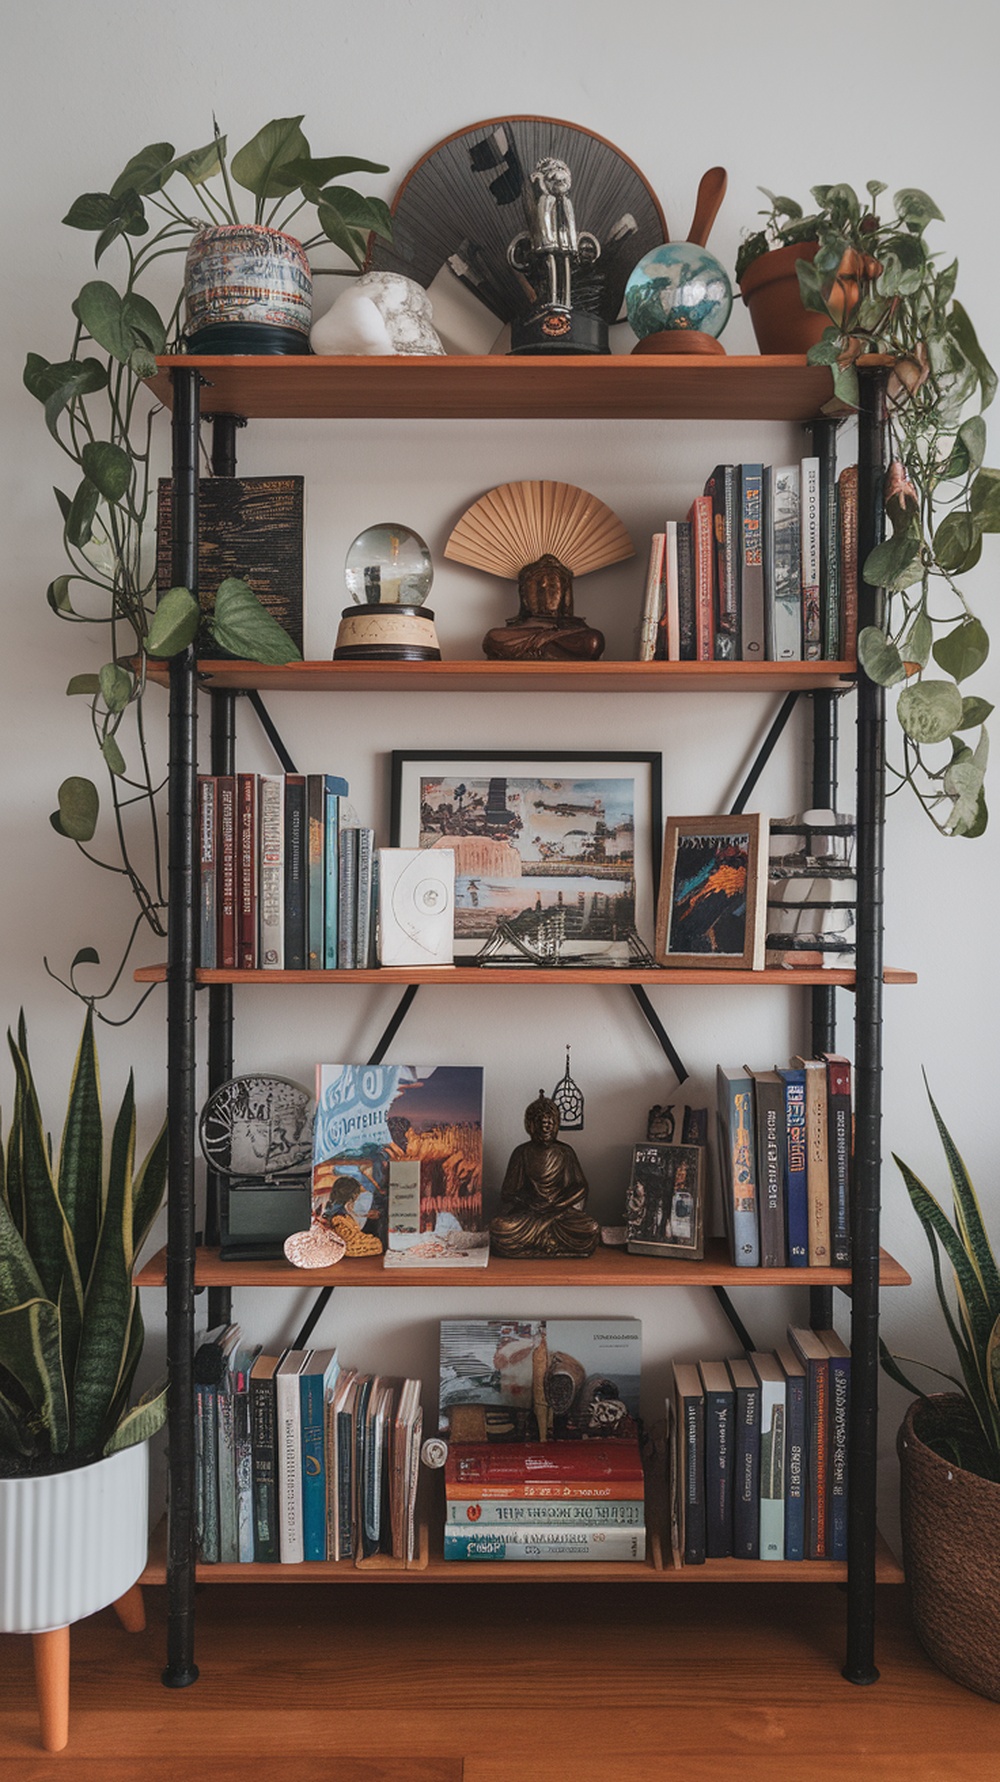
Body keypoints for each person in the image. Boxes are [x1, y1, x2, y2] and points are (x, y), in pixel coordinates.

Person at [489, 1092, 599, 1258]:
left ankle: (542, 1242)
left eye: (550, 1123)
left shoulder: (565, 1152)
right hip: (530, 1214)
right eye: (541, 1123)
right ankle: (547, 1243)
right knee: (499, 1227)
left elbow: (580, 1187)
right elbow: (508, 1192)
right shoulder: (522, 1153)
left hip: (559, 1213)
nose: (546, 1128)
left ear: (556, 1125)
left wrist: (559, 1204)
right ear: (531, 1126)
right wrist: (529, 1202)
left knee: (591, 1228)